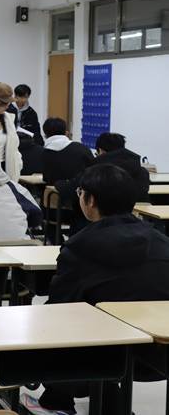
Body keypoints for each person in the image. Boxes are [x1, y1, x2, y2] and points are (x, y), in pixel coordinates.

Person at [21, 164, 169, 415]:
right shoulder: (162, 242)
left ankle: (58, 402)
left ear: (90, 201)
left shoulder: (80, 247)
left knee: (56, 321)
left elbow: (59, 308)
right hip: (159, 355)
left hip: (104, 356)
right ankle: (108, 402)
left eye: (80, 193)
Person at [93, 132, 150, 202]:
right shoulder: (143, 172)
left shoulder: (98, 175)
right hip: (139, 208)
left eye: (97, 154)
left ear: (101, 151)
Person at [41, 117, 94, 186]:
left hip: (56, 190)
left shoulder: (45, 153)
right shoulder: (82, 148)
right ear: (66, 133)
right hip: (84, 189)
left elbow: (46, 178)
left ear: (45, 135)